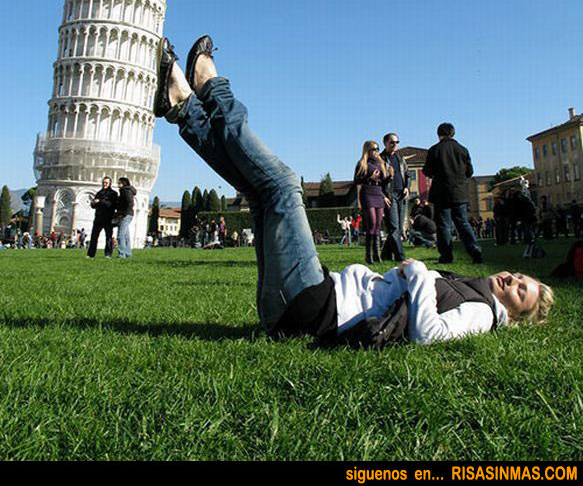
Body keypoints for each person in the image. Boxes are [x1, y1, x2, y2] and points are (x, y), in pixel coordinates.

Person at [153, 36, 554, 344]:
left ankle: (214, 92)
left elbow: (429, 334)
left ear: (515, 314)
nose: (513, 280)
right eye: (520, 276)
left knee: (283, 184)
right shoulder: (473, 288)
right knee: (261, 194)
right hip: (298, 307)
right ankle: (183, 107)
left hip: (315, 306)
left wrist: (417, 273)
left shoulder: (482, 314)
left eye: (521, 291)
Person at [422, 123, 483, 265]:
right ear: (453, 133)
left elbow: (427, 170)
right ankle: (475, 250)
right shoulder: (463, 150)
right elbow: (470, 172)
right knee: (463, 222)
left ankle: (446, 256)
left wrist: (435, 174)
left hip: (441, 191)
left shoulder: (434, 150)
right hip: (459, 191)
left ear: (439, 134)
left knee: (444, 225)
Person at [354, 141, 391, 264]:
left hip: (378, 193)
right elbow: (356, 181)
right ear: (367, 151)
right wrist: (369, 177)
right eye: (373, 149)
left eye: (377, 149)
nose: (376, 151)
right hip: (367, 193)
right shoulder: (362, 164)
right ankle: (368, 255)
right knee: (372, 223)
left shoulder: (380, 163)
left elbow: (383, 182)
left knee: (378, 225)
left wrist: (389, 176)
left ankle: (376, 254)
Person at [380, 133, 409, 262]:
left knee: (399, 227)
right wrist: (382, 196)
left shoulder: (400, 158)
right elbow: (376, 182)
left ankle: (385, 254)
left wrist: (407, 187)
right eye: (392, 142)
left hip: (402, 195)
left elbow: (407, 175)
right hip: (389, 196)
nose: (395, 145)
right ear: (385, 143)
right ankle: (400, 256)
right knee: (394, 227)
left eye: (397, 142)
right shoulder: (380, 160)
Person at [87, 177, 118, 258]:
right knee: (94, 237)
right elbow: (94, 206)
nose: (104, 184)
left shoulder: (113, 194)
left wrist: (100, 201)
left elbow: (112, 205)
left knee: (108, 237)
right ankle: (90, 254)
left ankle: (108, 254)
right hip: (98, 217)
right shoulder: (99, 193)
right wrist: (93, 203)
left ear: (110, 183)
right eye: (103, 182)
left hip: (108, 218)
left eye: (106, 183)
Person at [116, 177, 136, 258]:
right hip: (129, 214)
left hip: (125, 214)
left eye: (119, 183)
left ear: (123, 183)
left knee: (120, 235)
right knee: (126, 235)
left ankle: (121, 254)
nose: (118, 184)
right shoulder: (128, 191)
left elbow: (129, 203)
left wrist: (123, 213)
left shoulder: (125, 191)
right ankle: (128, 253)